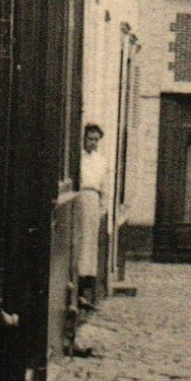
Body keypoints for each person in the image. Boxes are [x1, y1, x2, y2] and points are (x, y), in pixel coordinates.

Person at [76, 124, 111, 310]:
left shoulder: (101, 161)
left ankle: (85, 290)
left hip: (93, 200)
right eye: (90, 138)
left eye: (96, 139)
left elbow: (104, 187)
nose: (93, 143)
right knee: (80, 242)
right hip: (80, 199)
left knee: (90, 244)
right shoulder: (77, 159)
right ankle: (76, 290)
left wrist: (102, 208)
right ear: (84, 139)